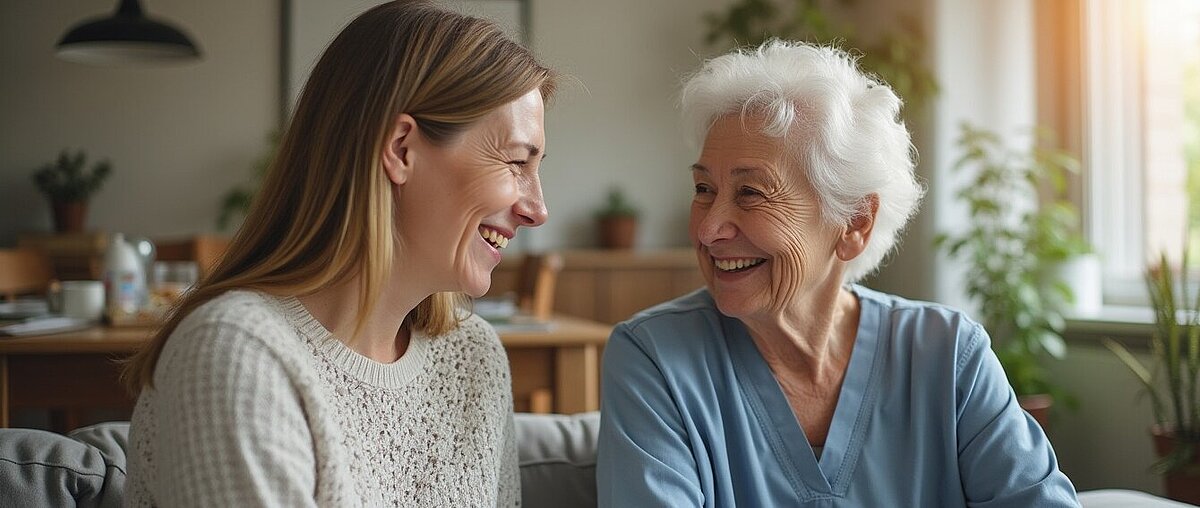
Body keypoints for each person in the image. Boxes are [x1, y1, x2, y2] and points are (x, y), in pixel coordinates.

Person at [596, 40, 1078, 507]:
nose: (709, 227)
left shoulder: (948, 355)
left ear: (854, 223)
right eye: (704, 188)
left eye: (751, 193)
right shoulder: (655, 358)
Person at [121, 1, 556, 505]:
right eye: (516, 162)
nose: (537, 210)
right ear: (401, 149)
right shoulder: (237, 355)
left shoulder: (473, 359)